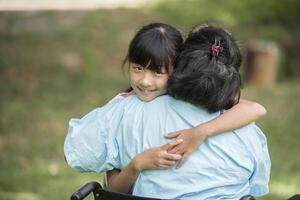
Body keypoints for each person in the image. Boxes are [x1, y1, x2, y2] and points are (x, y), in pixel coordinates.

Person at [64, 23, 270, 199]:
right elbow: (255, 185)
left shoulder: (122, 113)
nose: (145, 81)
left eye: (158, 72)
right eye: (138, 69)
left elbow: (80, 155)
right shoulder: (241, 125)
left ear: (179, 66)